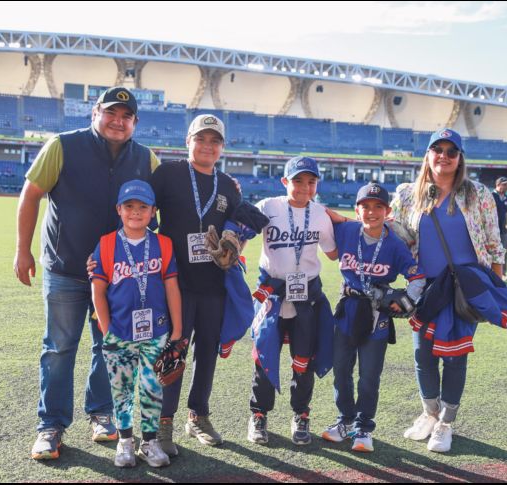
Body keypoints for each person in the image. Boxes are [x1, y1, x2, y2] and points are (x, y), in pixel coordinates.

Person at [14, 86, 159, 460]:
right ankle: (51, 426)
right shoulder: (63, 146)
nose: (118, 121)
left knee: (108, 347)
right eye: (111, 112)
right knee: (59, 348)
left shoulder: (147, 159)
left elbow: (164, 206)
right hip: (65, 268)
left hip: (117, 276)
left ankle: (101, 415)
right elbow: (31, 194)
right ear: (95, 113)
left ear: (135, 123)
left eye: (126, 116)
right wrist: (22, 250)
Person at [389, 128, 507, 453]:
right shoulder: (406, 195)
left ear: (460, 159)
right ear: (428, 155)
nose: (443, 156)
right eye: (437, 149)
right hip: (425, 289)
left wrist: (494, 288)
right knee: (422, 355)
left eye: (451, 151)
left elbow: (493, 243)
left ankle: (445, 423)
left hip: (464, 288)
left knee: (456, 357)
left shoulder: (478, 194)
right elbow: (395, 236)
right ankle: (429, 414)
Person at [147, 114, 241, 455]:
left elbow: (242, 221)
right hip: (176, 282)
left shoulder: (228, 185)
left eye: (214, 141)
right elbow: (142, 213)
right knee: (174, 351)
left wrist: (236, 242)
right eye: (201, 139)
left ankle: (197, 415)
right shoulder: (168, 173)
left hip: (214, 283)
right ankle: (163, 422)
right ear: (188, 141)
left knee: (207, 353)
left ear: (221, 148)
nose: (207, 146)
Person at [322, 183, 425, 453]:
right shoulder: (345, 231)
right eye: (365, 206)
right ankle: (345, 421)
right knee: (341, 370)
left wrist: (409, 300)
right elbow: (319, 217)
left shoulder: (394, 244)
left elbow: (417, 275)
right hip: (348, 308)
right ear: (357, 210)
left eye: (377, 207)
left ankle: (364, 427)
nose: (371, 212)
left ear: (387, 211)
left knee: (369, 375)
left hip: (377, 314)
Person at [90, 180, 183, 468]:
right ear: (119, 209)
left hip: (156, 330)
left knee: (152, 387)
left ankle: (150, 442)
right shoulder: (106, 243)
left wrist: (177, 330)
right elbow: (98, 291)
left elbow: (171, 287)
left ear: (153, 210)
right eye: (129, 206)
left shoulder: (163, 244)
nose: (136, 212)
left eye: (143, 207)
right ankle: (125, 442)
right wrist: (107, 331)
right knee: (122, 390)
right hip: (119, 333)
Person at [247, 156, 339, 446]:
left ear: (316, 184)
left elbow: (334, 253)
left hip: (306, 297)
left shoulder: (321, 214)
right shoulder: (268, 207)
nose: (304, 187)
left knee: (304, 360)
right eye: (297, 180)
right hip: (272, 296)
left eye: (310, 181)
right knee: (263, 357)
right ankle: (258, 415)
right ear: (285, 182)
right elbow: (239, 234)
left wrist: (356, 222)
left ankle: (301, 414)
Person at [492, 177, 507, 281]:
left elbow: (506, 213)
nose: (506, 187)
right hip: (491, 230)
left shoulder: (506, 198)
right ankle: (491, 273)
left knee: (504, 251)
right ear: (498, 184)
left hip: (503, 230)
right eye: (504, 184)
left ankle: (502, 273)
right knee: (492, 252)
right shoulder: (491, 196)